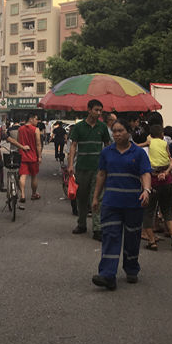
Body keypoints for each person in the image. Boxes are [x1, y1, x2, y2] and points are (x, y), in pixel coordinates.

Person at [91, 119, 152, 290]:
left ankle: (131, 268)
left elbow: (145, 173)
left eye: (120, 131)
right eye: (114, 131)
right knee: (110, 236)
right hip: (111, 203)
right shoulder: (107, 152)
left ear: (128, 132)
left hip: (133, 203)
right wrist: (96, 197)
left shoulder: (138, 153)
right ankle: (107, 275)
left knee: (132, 237)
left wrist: (146, 190)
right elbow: (101, 174)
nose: (117, 134)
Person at [66, 100, 110, 240]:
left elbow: (108, 145)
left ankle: (97, 228)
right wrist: (71, 165)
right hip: (82, 168)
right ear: (89, 110)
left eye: (100, 111)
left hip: (98, 169)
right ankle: (82, 224)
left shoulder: (102, 127)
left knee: (97, 198)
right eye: (96, 110)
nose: (98, 113)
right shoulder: (78, 127)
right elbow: (73, 146)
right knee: (82, 197)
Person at [142, 124, 172, 250]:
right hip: (166, 180)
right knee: (167, 210)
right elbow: (171, 160)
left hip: (153, 180)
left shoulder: (149, 143)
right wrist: (167, 172)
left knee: (148, 211)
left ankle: (152, 241)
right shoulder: (164, 144)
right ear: (161, 134)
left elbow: (138, 146)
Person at [17, 112, 42, 208]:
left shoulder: (20, 129)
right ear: (30, 119)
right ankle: (34, 193)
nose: (37, 121)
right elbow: (38, 144)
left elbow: (19, 141)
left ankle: (22, 195)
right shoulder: (36, 130)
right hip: (33, 156)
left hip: (22, 156)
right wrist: (39, 156)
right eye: (36, 119)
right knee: (34, 176)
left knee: (23, 176)